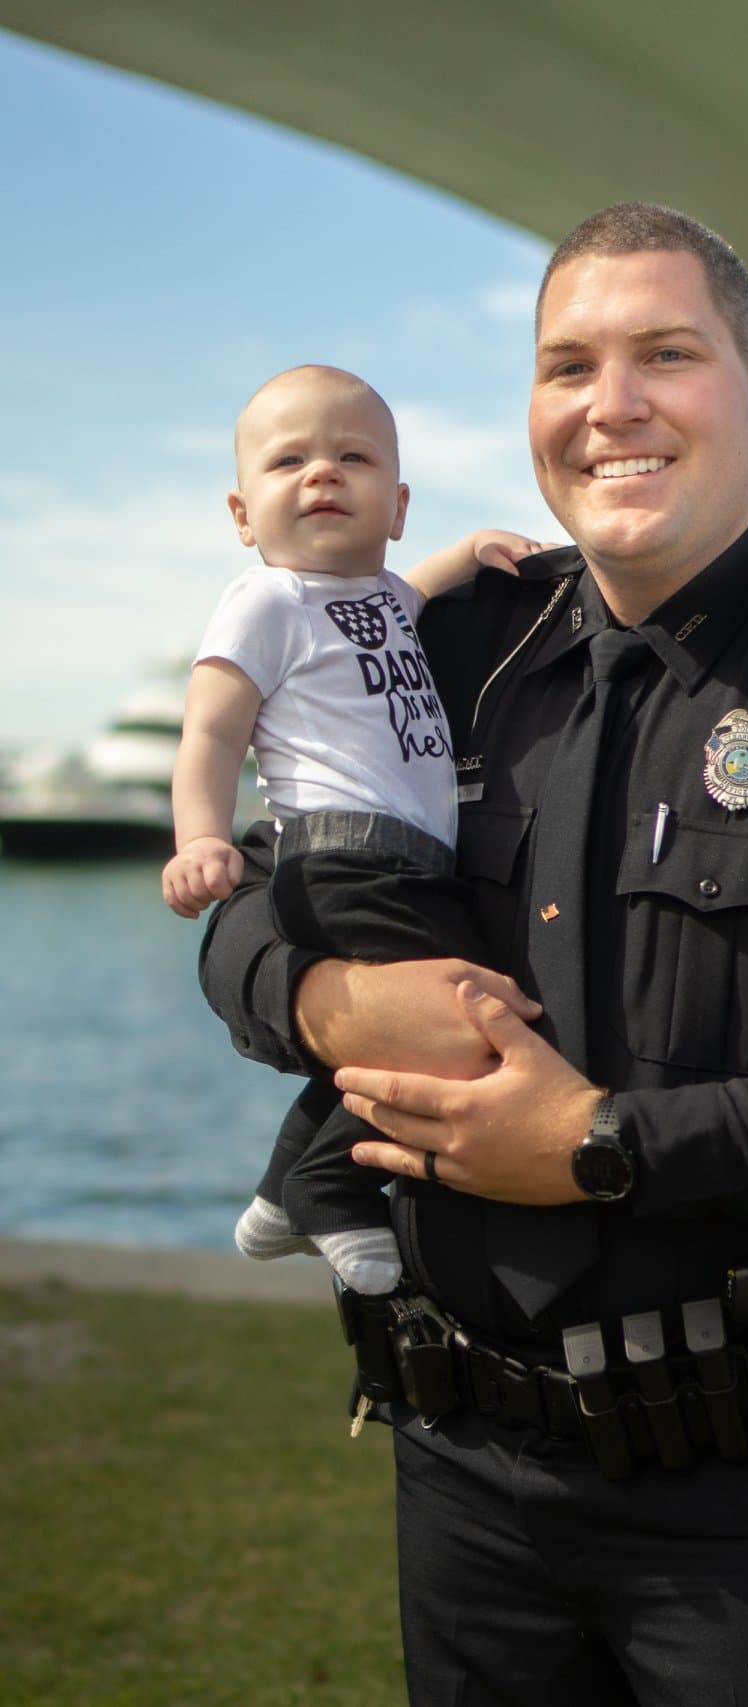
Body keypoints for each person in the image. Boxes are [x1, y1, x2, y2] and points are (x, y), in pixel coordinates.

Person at [200, 205, 748, 1706]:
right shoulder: (444, 652)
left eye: (666, 354)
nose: (611, 404)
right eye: (568, 366)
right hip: (462, 1463)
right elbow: (246, 903)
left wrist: (602, 1147)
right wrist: (330, 996)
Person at [163, 363, 547, 1295]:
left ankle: (278, 1193)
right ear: (243, 516)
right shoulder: (266, 601)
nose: (323, 474)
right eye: (289, 460)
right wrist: (200, 838)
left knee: (390, 1033)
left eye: (354, 457)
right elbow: (211, 729)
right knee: (460, 1019)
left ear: (397, 503)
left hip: (410, 864)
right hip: (342, 856)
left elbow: (413, 590)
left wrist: (468, 552)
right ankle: (334, 1191)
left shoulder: (385, 601)